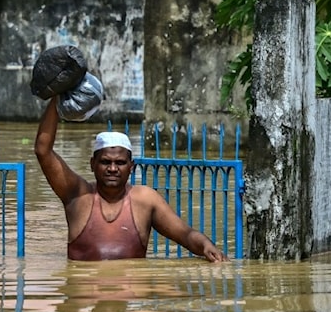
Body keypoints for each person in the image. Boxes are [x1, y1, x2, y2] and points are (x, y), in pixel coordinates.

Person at [34, 96, 227, 262]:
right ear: (92, 164)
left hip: (131, 290)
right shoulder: (77, 194)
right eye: (105, 162)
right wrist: (57, 99)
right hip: (85, 295)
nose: (112, 168)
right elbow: (43, 151)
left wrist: (206, 246)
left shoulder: (144, 199)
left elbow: (185, 234)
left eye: (119, 162)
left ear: (131, 167)